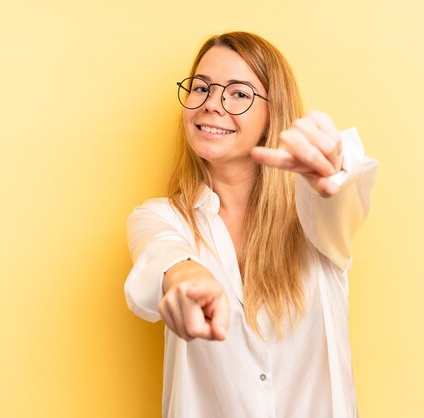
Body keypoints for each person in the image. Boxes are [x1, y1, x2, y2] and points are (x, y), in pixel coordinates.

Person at [124, 31, 378, 418]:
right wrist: (185, 281)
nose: (212, 104)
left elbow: (343, 197)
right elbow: (162, 255)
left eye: (238, 93)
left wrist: (334, 168)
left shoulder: (312, 218)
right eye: (201, 88)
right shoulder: (160, 217)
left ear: (272, 115)